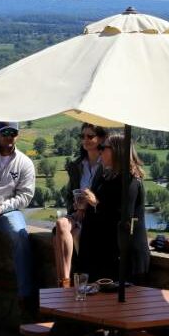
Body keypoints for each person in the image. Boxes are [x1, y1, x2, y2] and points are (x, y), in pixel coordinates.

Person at [76, 133, 150, 282]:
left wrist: (95, 202)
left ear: (117, 150)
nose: (100, 151)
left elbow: (123, 218)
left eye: (103, 147)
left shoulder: (130, 181)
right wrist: (86, 204)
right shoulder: (107, 176)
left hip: (124, 259)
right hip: (105, 255)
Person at [0, 120, 37, 316]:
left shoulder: (25, 162)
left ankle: (25, 296)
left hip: (8, 209)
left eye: (13, 133)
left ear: (18, 135)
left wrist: (2, 207)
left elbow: (25, 196)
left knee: (20, 236)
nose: (9, 136)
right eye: (5, 132)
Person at [51, 123, 106, 287]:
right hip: (77, 214)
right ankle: (64, 280)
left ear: (101, 138)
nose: (85, 140)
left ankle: (65, 283)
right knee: (61, 224)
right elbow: (69, 194)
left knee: (60, 235)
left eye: (90, 136)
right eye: (82, 136)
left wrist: (87, 206)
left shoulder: (106, 166)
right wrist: (75, 206)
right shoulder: (77, 166)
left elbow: (107, 197)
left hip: (96, 216)